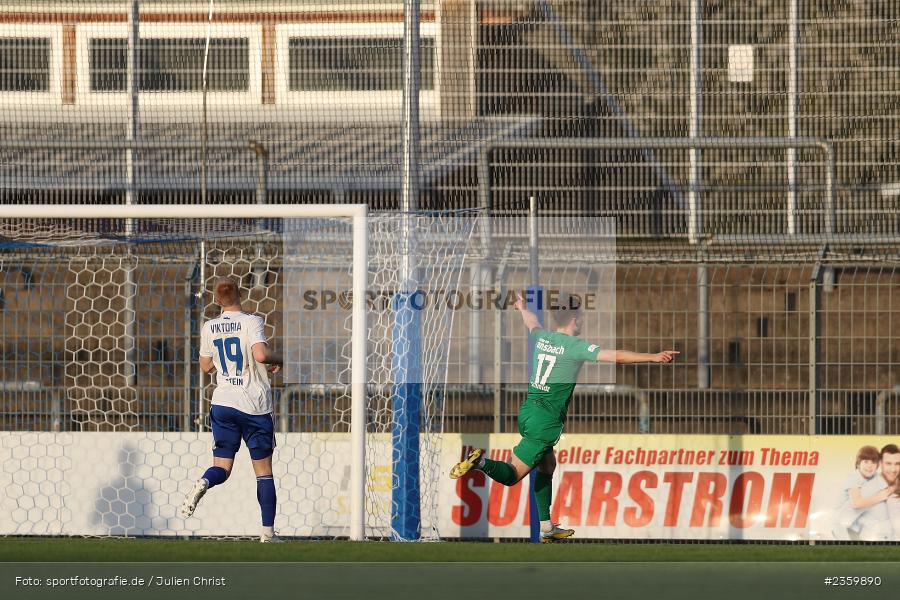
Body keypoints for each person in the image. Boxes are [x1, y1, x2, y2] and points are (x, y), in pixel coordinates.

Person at [450, 291, 678, 542]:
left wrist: (522, 307)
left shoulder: (542, 338)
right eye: (580, 317)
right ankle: (480, 462)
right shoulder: (575, 347)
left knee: (547, 465)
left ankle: (547, 527)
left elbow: (531, 322)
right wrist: (653, 357)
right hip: (545, 420)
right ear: (574, 319)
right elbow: (615, 357)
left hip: (528, 412)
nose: (581, 321)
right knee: (513, 475)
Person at [180, 277, 284, 543]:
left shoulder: (210, 327)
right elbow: (260, 355)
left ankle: (205, 481)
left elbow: (205, 366)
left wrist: (223, 362)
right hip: (254, 405)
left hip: (223, 403)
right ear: (241, 295)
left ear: (216, 301)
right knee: (263, 473)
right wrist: (278, 359)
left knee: (222, 469)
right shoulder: (252, 321)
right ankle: (267, 534)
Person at [831, 445, 887, 540]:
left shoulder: (876, 477)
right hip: (842, 523)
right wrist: (881, 496)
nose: (869, 466)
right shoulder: (853, 477)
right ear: (858, 464)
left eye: (873, 462)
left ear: (877, 465)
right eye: (865, 462)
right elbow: (856, 503)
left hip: (858, 524)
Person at [855, 444, 900, 541]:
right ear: (880, 463)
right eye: (888, 463)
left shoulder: (897, 486)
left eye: (897, 464)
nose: (893, 469)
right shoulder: (868, 488)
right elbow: (845, 519)